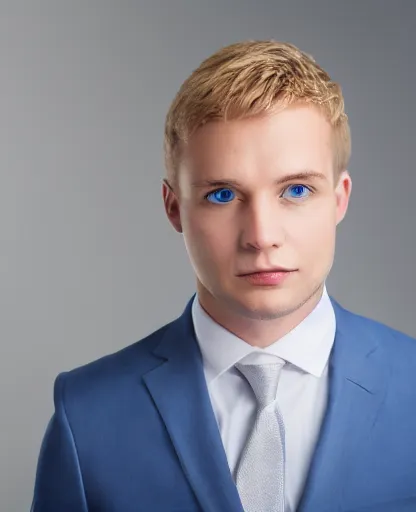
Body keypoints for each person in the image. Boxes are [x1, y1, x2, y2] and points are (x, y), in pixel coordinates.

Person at [30, 40, 416, 512]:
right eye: (223, 196)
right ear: (174, 207)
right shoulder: (87, 415)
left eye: (296, 190)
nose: (261, 236)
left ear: (340, 198)